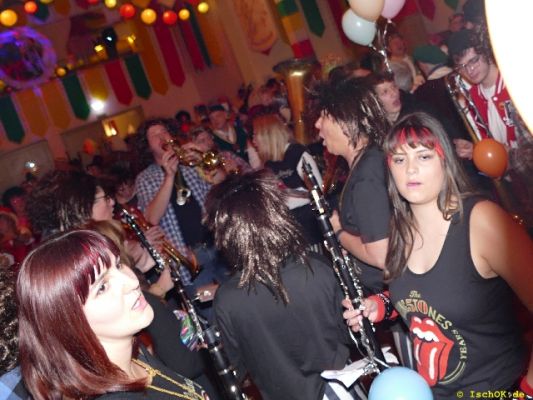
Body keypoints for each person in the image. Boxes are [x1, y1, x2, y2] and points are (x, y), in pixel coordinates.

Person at [343, 112, 533, 399]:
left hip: (498, 389)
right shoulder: (401, 230)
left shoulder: (481, 221)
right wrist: (379, 306)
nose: (410, 169)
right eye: (399, 159)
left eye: (423, 156)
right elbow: (426, 293)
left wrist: (525, 393)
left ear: (445, 160)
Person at [204, 171, 351, 400]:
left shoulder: (227, 300)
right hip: (340, 391)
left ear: (227, 233)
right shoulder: (317, 267)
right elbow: (349, 334)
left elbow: (235, 370)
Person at [16, 230, 209, 399]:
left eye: (118, 265)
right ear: (69, 322)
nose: (131, 282)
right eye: (102, 287)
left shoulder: (134, 354)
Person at [312, 76, 390, 294]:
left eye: (324, 115)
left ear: (345, 121)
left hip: (389, 293)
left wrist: (338, 232)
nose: (317, 124)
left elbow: (382, 256)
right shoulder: (368, 161)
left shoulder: (367, 175)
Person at [250, 113, 324, 251]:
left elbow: (318, 191)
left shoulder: (297, 154)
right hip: (289, 226)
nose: (253, 141)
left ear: (267, 135)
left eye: (255, 135)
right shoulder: (269, 163)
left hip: (308, 225)